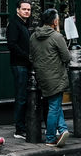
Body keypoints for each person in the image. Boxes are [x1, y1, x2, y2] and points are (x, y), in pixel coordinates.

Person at [29, 8, 70, 148]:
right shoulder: (57, 37)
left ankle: (63, 130)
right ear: (54, 21)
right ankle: (51, 137)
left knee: (54, 104)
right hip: (56, 76)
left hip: (41, 76)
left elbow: (31, 57)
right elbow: (67, 57)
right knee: (54, 106)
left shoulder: (33, 36)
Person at [6, 0, 32, 139]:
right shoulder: (15, 25)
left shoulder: (23, 24)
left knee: (25, 96)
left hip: (24, 64)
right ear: (18, 10)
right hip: (19, 65)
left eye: (28, 9)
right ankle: (19, 130)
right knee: (21, 97)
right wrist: (27, 57)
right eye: (24, 9)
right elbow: (12, 45)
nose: (27, 11)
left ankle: (23, 126)